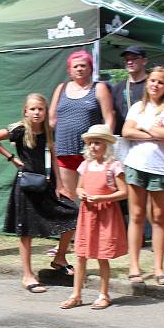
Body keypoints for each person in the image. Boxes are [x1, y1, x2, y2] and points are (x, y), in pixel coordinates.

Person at [0, 94, 78, 293]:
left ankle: (60, 258)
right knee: (26, 232)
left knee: (72, 212)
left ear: (45, 112)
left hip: (47, 184)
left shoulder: (48, 131)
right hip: (26, 186)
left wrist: (60, 184)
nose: (37, 112)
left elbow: (53, 157)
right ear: (25, 111)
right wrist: (12, 158)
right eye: (33, 109)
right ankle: (27, 276)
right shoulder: (19, 130)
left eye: (40, 109)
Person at [49, 50, 114, 274]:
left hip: (90, 155)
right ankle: (61, 254)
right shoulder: (61, 88)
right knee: (68, 203)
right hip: (65, 152)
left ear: (91, 67)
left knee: (90, 202)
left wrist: (106, 147)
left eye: (83, 65)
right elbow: (51, 119)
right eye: (75, 66)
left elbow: (109, 117)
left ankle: (91, 250)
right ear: (69, 69)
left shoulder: (100, 88)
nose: (79, 69)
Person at [121, 66, 164, 285]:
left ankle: (159, 268)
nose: (155, 85)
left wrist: (144, 129)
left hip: (161, 169)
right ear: (147, 82)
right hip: (136, 165)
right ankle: (134, 266)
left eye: (160, 82)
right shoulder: (137, 107)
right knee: (136, 216)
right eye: (152, 80)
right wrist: (154, 130)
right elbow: (127, 132)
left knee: (158, 217)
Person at [60, 124, 128, 310]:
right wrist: (81, 192)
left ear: (107, 145)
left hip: (105, 216)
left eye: (97, 143)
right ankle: (76, 294)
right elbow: (79, 187)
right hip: (87, 215)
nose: (92, 147)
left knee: (101, 256)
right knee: (81, 255)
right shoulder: (85, 165)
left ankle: (104, 294)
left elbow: (124, 192)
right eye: (90, 143)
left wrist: (102, 198)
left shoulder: (113, 166)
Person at [111, 46, 149, 135]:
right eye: (127, 59)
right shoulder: (118, 87)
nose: (130, 62)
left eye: (134, 59)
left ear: (144, 61)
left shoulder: (152, 85)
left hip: (144, 138)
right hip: (121, 139)